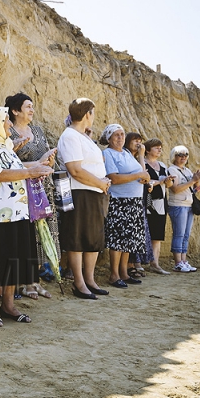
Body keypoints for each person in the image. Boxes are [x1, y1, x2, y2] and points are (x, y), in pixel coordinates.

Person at [0, 107, 54, 326]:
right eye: (6, 120)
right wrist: (30, 172)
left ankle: (8, 305)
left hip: (17, 211)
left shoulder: (3, 145)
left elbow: (16, 167)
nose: (9, 125)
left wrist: (39, 165)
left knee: (12, 259)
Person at [56, 98, 111, 300]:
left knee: (93, 238)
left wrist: (101, 183)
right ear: (87, 114)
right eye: (93, 113)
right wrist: (99, 182)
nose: (93, 117)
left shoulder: (83, 136)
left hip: (94, 191)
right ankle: (79, 283)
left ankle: (90, 280)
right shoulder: (70, 136)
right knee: (78, 238)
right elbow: (75, 170)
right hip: (79, 192)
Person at [5, 91, 58, 299]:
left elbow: (49, 162)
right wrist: (38, 163)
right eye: (28, 106)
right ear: (16, 111)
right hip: (22, 190)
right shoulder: (10, 133)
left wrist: (48, 160)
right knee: (26, 237)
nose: (32, 110)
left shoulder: (37, 130)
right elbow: (10, 164)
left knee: (42, 235)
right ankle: (24, 283)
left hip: (43, 188)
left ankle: (34, 280)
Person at [101, 124, 151, 288]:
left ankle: (124, 272)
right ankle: (114, 275)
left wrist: (142, 158)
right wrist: (138, 175)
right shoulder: (108, 153)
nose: (120, 137)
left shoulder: (128, 153)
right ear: (109, 138)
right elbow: (114, 178)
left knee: (129, 240)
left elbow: (144, 175)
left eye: (122, 134)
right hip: (120, 201)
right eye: (116, 135)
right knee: (118, 239)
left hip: (135, 201)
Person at [167, 145, 200, 272]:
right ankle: (178, 262)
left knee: (186, 235)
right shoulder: (172, 170)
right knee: (179, 234)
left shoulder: (187, 170)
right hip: (178, 205)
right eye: (180, 155)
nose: (183, 157)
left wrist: (198, 181)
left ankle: (184, 261)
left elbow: (194, 189)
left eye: (185, 155)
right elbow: (175, 189)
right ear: (174, 156)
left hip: (188, 205)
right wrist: (193, 180)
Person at [143, 138, 175, 275]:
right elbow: (143, 181)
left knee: (157, 235)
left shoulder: (162, 165)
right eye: (156, 147)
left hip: (161, 203)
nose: (159, 149)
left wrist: (168, 181)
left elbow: (169, 185)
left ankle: (155, 263)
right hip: (147, 202)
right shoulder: (142, 164)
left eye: (160, 147)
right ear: (148, 150)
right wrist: (160, 181)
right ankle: (138, 263)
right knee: (143, 232)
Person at [124, 132, 153, 278]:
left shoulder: (134, 158)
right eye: (135, 140)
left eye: (140, 141)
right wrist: (142, 156)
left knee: (138, 233)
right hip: (127, 199)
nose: (138, 143)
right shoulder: (126, 156)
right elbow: (142, 175)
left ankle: (136, 264)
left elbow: (144, 179)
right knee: (129, 234)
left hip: (138, 199)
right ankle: (130, 266)